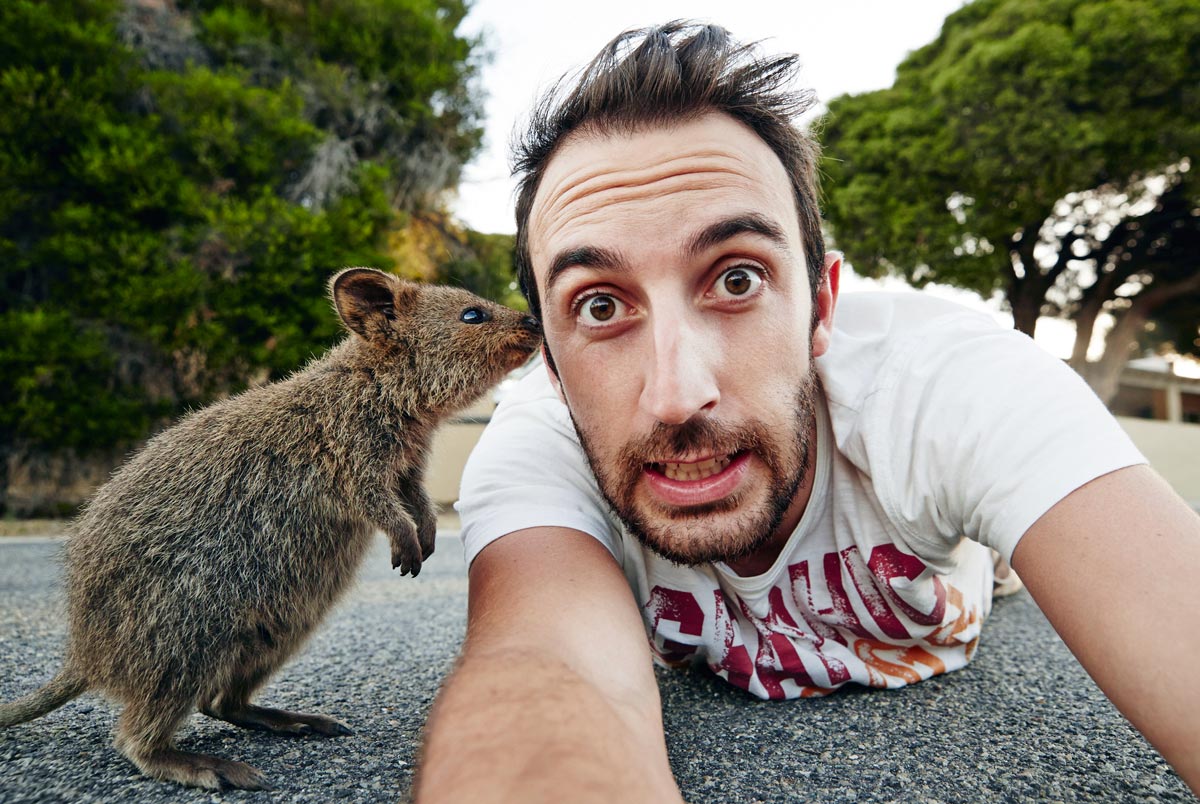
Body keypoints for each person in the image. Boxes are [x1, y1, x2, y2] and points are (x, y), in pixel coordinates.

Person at [414, 21, 1200, 802]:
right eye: (598, 305)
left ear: (822, 306)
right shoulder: (540, 443)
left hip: (954, 552)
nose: (677, 394)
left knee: (988, 554)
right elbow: (549, 671)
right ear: (549, 358)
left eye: (737, 280)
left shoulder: (949, 383)